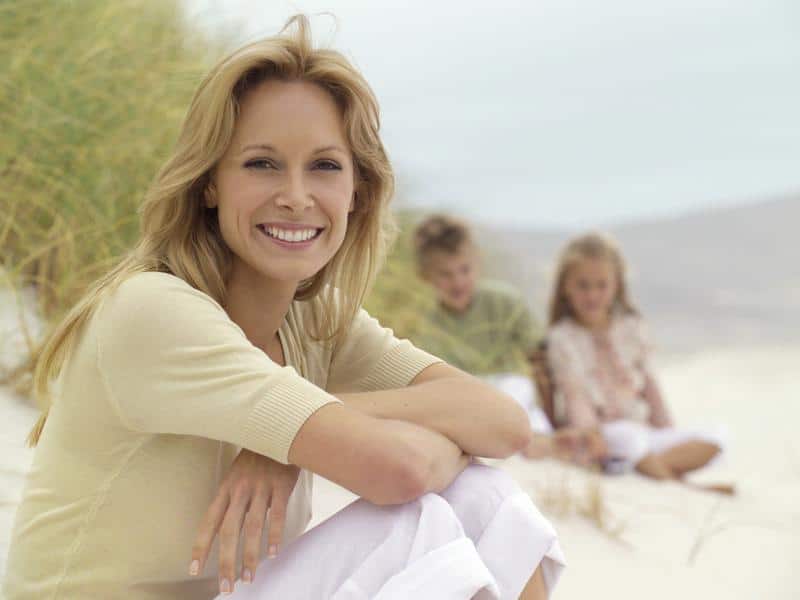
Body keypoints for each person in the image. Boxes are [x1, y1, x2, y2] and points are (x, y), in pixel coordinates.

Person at [2, 16, 565, 600]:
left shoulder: (314, 320)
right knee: (414, 522)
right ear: (210, 183)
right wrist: (305, 432)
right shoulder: (153, 310)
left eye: (324, 166)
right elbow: (398, 471)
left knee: (482, 497)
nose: (296, 197)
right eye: (261, 163)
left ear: (356, 191)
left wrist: (292, 439)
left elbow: (502, 423)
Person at [546, 232, 732, 492]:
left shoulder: (632, 328)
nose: (592, 294)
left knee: (717, 436)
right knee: (627, 438)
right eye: (583, 285)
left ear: (617, 285)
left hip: (642, 431)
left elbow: (650, 386)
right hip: (603, 436)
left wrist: (666, 431)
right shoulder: (562, 337)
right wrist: (592, 434)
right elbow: (574, 394)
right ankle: (683, 488)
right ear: (566, 287)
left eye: (601, 285)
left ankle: (649, 469)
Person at [412, 215, 597, 461]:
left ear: (477, 264)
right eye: (445, 275)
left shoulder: (504, 301)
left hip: (508, 381)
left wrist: (553, 413)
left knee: (516, 394)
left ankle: (540, 440)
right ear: (426, 275)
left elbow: (539, 356)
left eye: (464, 270)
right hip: (463, 389)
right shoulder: (426, 322)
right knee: (471, 409)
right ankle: (531, 442)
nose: (457, 282)